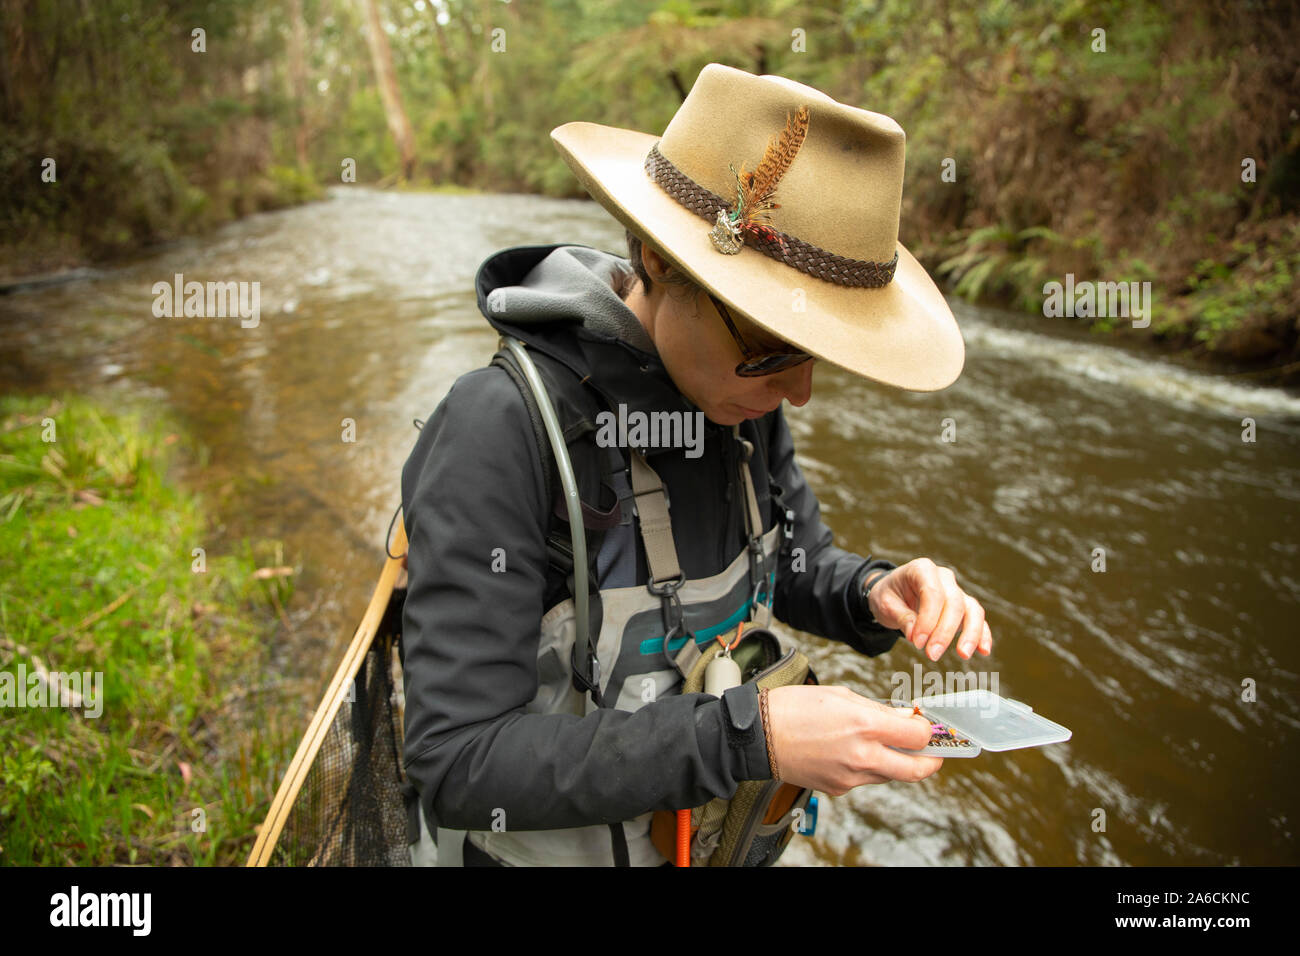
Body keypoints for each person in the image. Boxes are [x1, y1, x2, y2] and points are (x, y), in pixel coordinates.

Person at [399, 63, 992, 867]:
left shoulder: (742, 404)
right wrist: (750, 738)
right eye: (771, 347)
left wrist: (869, 591)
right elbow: (458, 761)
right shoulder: (500, 431)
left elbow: (789, 565)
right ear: (658, 260)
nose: (802, 392)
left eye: (821, 354)